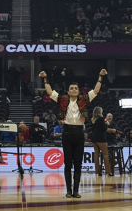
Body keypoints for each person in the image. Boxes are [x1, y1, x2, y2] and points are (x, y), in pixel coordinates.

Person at [39, 68, 107, 198]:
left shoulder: (84, 99)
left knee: (78, 163)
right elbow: (49, 91)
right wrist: (45, 78)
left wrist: (100, 76)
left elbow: (96, 90)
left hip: (79, 134)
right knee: (68, 163)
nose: (74, 90)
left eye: (76, 88)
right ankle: (68, 190)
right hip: (67, 133)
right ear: (68, 91)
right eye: (72, 88)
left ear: (79, 90)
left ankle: (76, 190)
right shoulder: (63, 99)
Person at [89, 107, 112, 177]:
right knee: (105, 154)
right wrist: (107, 126)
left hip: (94, 138)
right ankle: (108, 171)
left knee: (96, 155)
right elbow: (104, 129)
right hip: (101, 138)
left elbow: (92, 129)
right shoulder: (101, 119)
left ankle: (98, 171)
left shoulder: (92, 119)